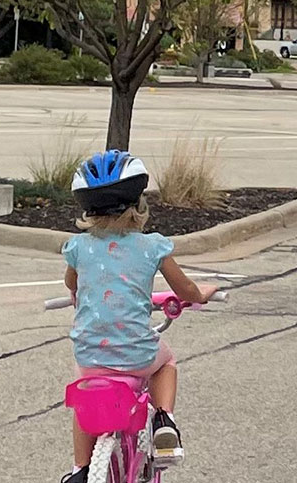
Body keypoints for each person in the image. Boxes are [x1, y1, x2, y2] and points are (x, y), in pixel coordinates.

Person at [60, 150, 217, 483]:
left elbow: (71, 282)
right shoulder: (153, 247)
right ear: (137, 206)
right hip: (137, 356)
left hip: (91, 356)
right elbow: (185, 288)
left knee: (84, 394)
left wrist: (77, 294)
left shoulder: (77, 248)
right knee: (167, 360)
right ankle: (164, 420)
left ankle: (79, 470)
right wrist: (201, 295)